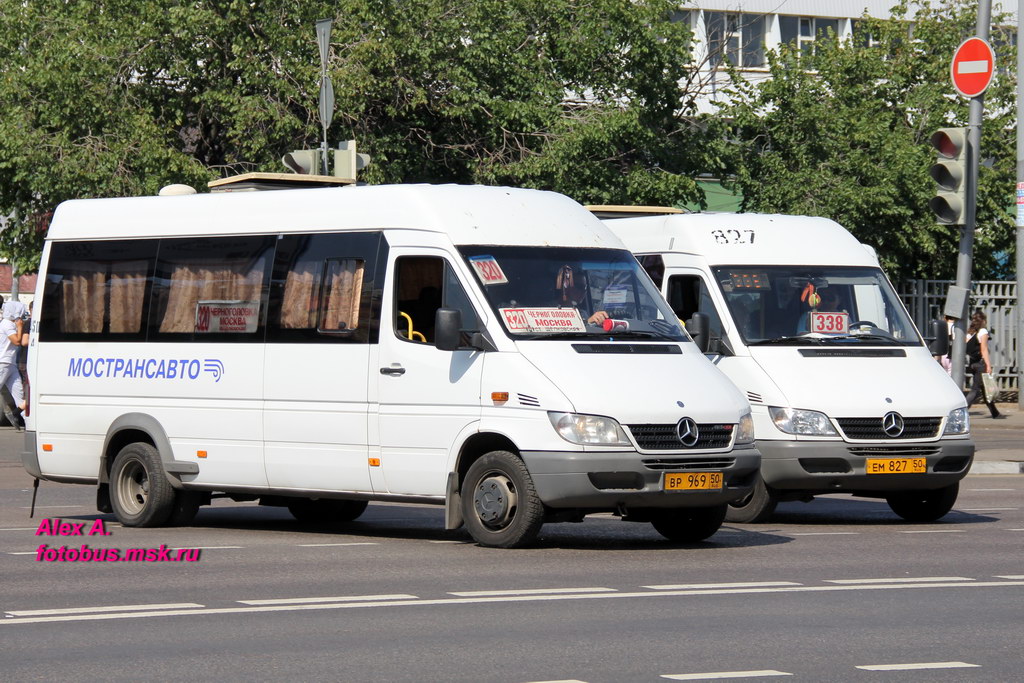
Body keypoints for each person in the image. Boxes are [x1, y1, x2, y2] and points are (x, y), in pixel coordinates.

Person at [964, 309, 1001, 418]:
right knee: (975, 389)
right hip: (981, 363)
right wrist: (988, 365)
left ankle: (995, 413)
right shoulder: (983, 332)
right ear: (983, 320)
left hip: (973, 363)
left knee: (985, 388)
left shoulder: (970, 332)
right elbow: (984, 349)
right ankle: (962, 409)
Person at [0, 302, 27, 428]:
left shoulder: (10, 324)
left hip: (10, 363)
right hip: (3, 362)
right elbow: (17, 341)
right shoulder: (7, 324)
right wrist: (20, 326)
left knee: (19, 393)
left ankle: (26, 420)